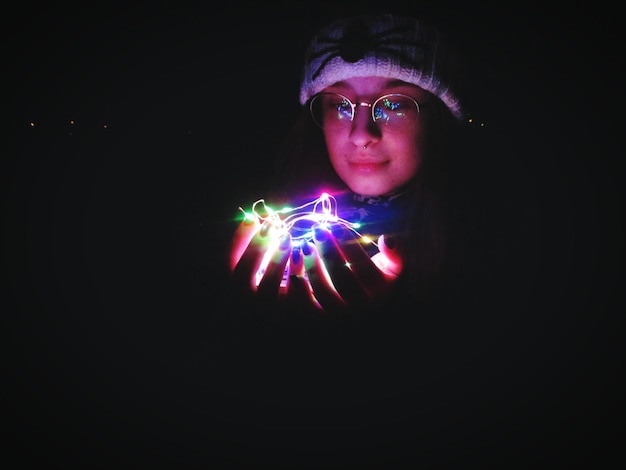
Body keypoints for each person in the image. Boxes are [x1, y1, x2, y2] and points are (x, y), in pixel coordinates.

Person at [228, 11, 478, 321]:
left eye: (393, 103)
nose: (361, 134)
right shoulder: (282, 226)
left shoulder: (484, 250)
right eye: (338, 105)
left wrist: (383, 330)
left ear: (437, 118)